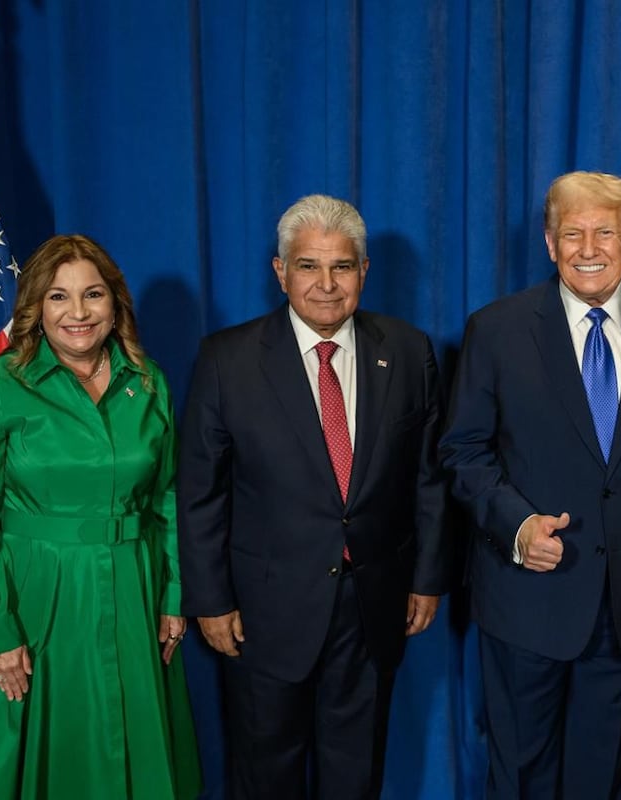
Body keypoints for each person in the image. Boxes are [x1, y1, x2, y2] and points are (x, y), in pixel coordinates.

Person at [439, 171, 621, 799]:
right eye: (572, 233)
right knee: (521, 776)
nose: (589, 248)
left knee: (603, 777)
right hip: (526, 597)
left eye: (605, 232)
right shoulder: (497, 330)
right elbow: (462, 451)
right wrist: (516, 524)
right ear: (548, 242)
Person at [177, 194, 448, 800]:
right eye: (307, 266)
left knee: (355, 777)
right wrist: (210, 600)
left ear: (364, 271)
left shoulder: (408, 351)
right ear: (280, 271)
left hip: (371, 606)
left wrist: (427, 578)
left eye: (342, 267)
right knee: (266, 777)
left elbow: (428, 477)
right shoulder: (227, 359)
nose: (326, 285)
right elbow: (199, 494)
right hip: (262, 614)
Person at [0, 234, 201, 799]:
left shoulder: (148, 381)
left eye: (93, 295)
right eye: (59, 297)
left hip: (136, 592)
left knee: (135, 748)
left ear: (116, 305)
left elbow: (167, 500)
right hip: (37, 600)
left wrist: (174, 596)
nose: (79, 313)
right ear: (36, 308)